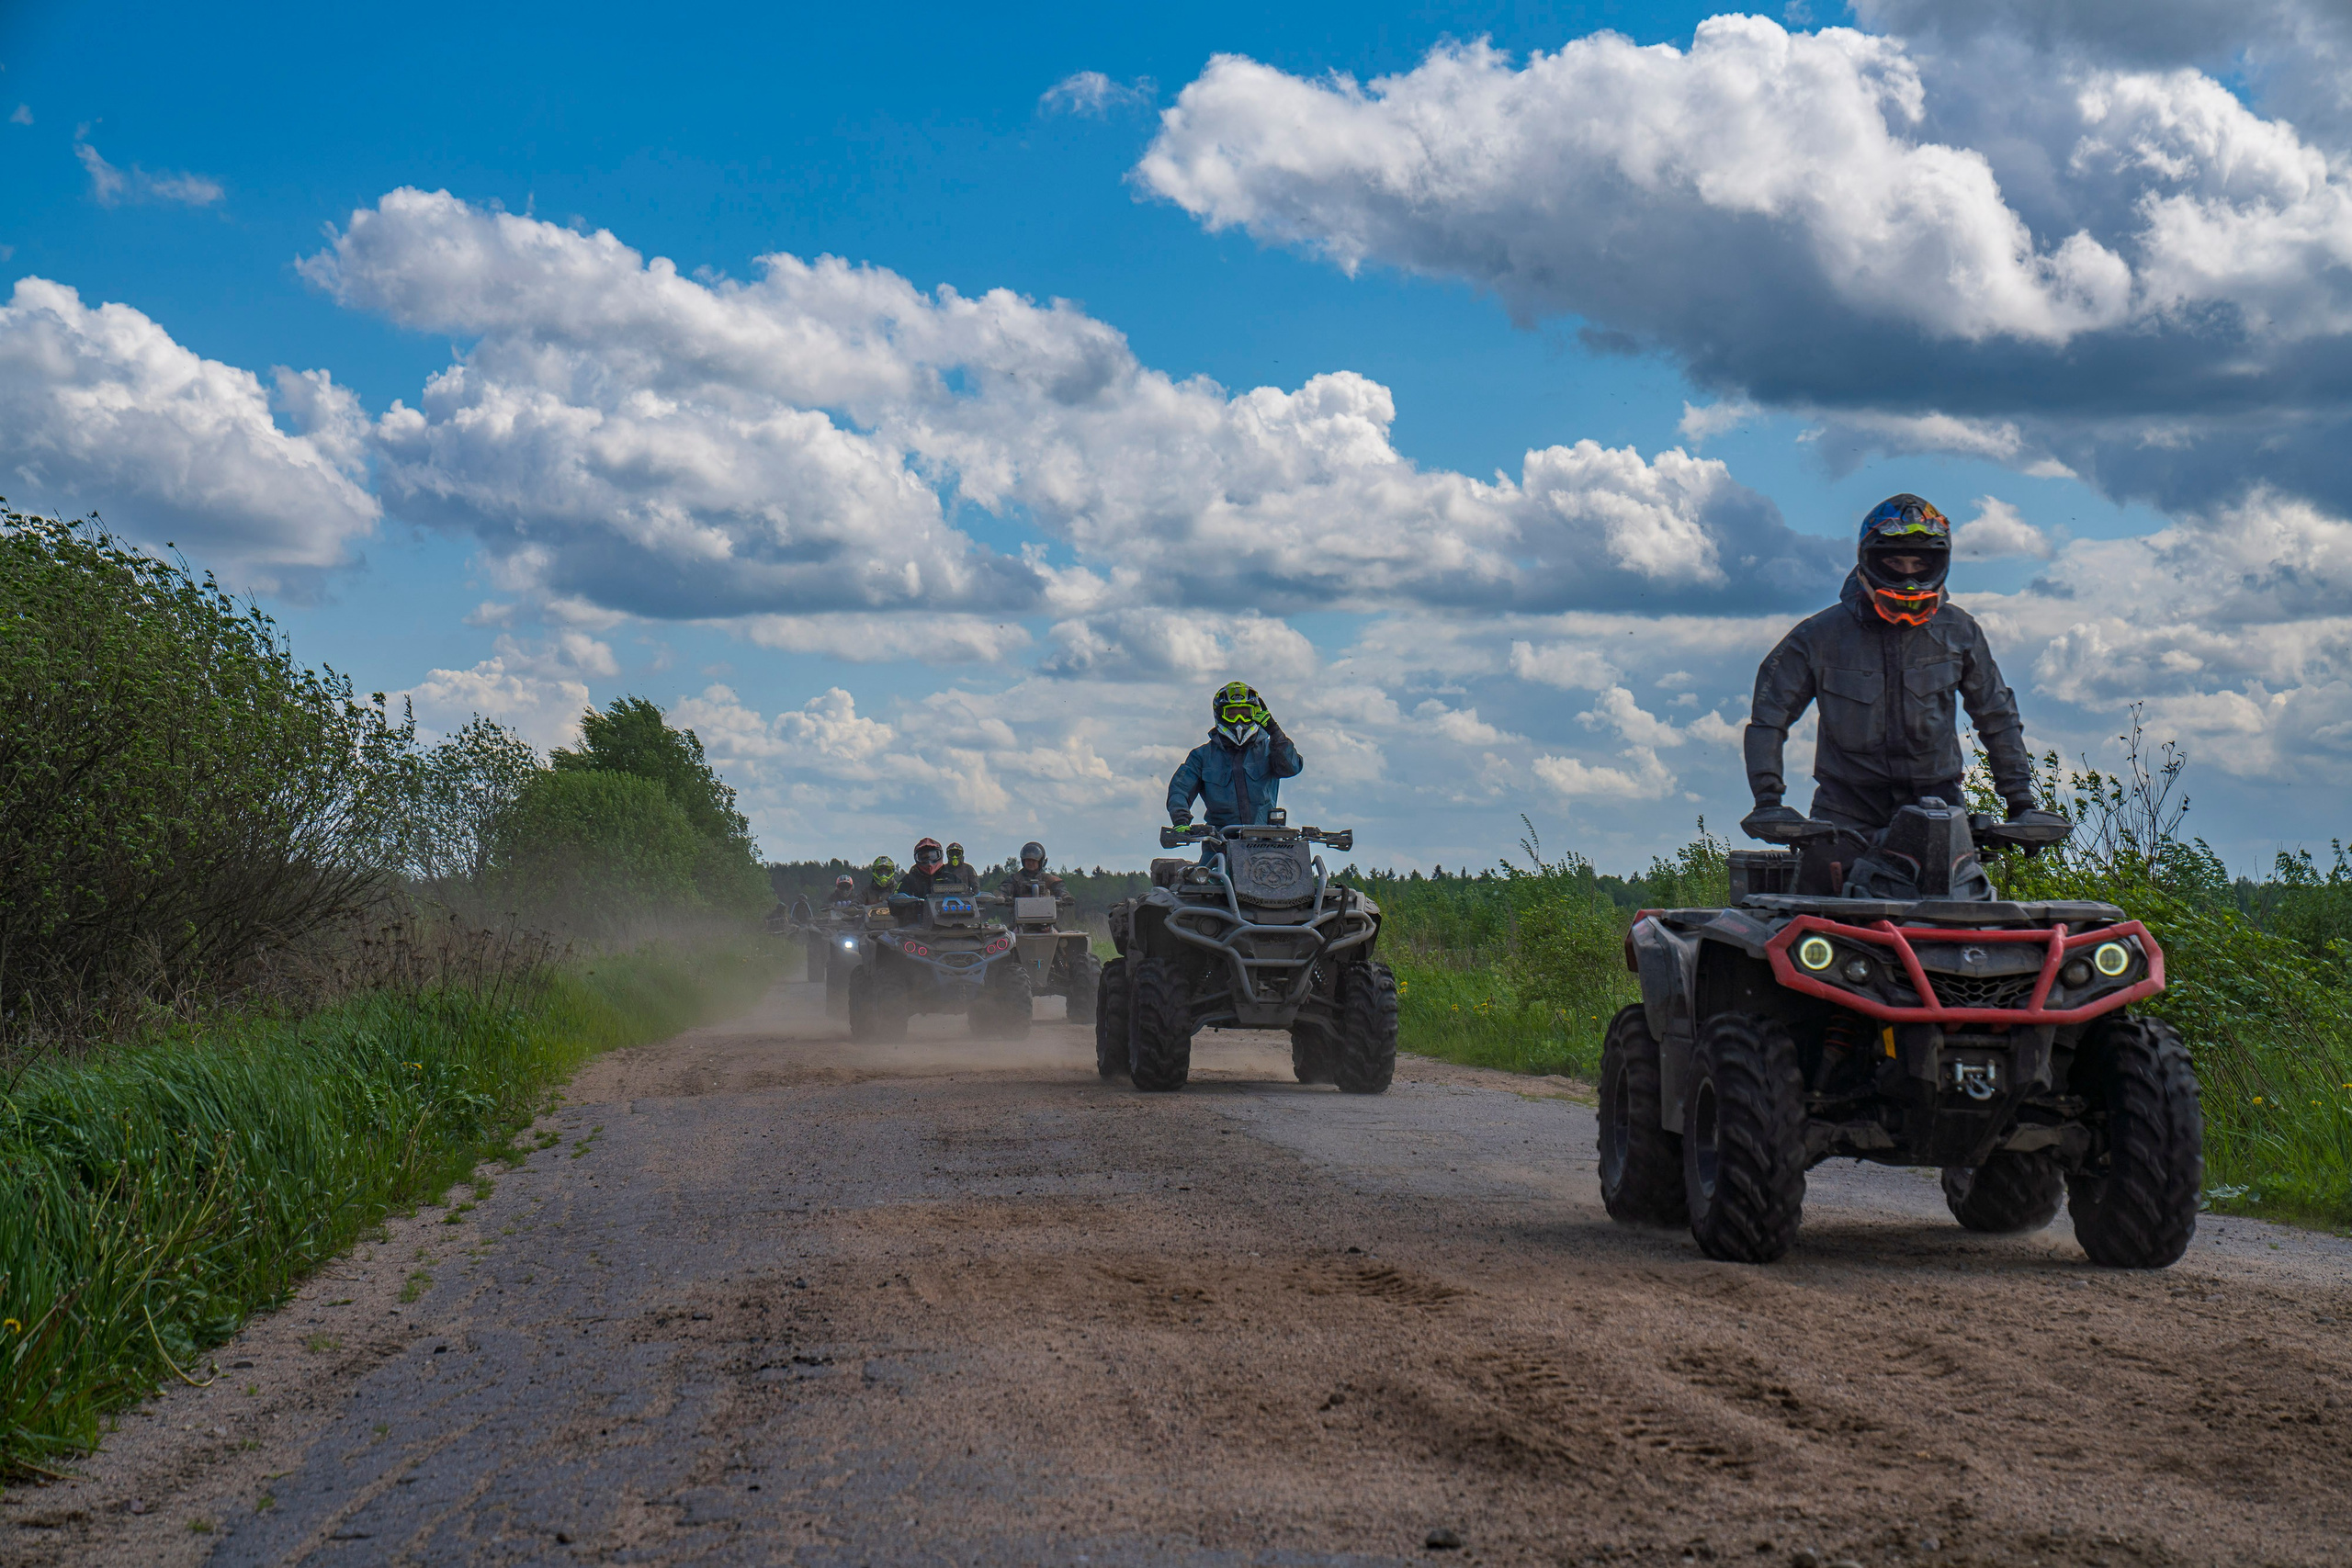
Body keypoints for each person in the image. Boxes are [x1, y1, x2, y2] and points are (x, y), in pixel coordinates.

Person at [1742, 494, 2064, 873]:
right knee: (1825, 922)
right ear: (1869, 560)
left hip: (1941, 813)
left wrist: (2021, 804)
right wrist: (1768, 802)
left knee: (1965, 919)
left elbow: (1997, 717)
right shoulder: (1818, 637)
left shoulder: (1960, 631)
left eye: (1919, 563)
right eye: (1895, 562)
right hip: (1844, 817)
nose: (1909, 576)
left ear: (1939, 564)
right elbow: (1768, 719)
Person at [1166, 682, 1303, 846]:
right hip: (1218, 844)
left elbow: (1292, 767)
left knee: (1299, 870)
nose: (1239, 720)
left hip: (1267, 843)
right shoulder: (1201, 756)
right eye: (1232, 713)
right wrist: (1181, 821)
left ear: (1256, 714)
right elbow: (1180, 789)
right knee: (1206, 872)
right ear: (1219, 715)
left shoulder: (1271, 750)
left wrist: (1274, 731)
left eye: (1245, 713)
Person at [999, 840, 1066, 900]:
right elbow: (1005, 889)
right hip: (1020, 912)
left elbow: (1059, 888)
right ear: (1023, 861)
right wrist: (1002, 896)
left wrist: (1064, 895)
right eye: (1028, 860)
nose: (1030, 863)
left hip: (1046, 911)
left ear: (1040, 862)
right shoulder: (1015, 879)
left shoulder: (1048, 879)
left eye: (1033, 860)